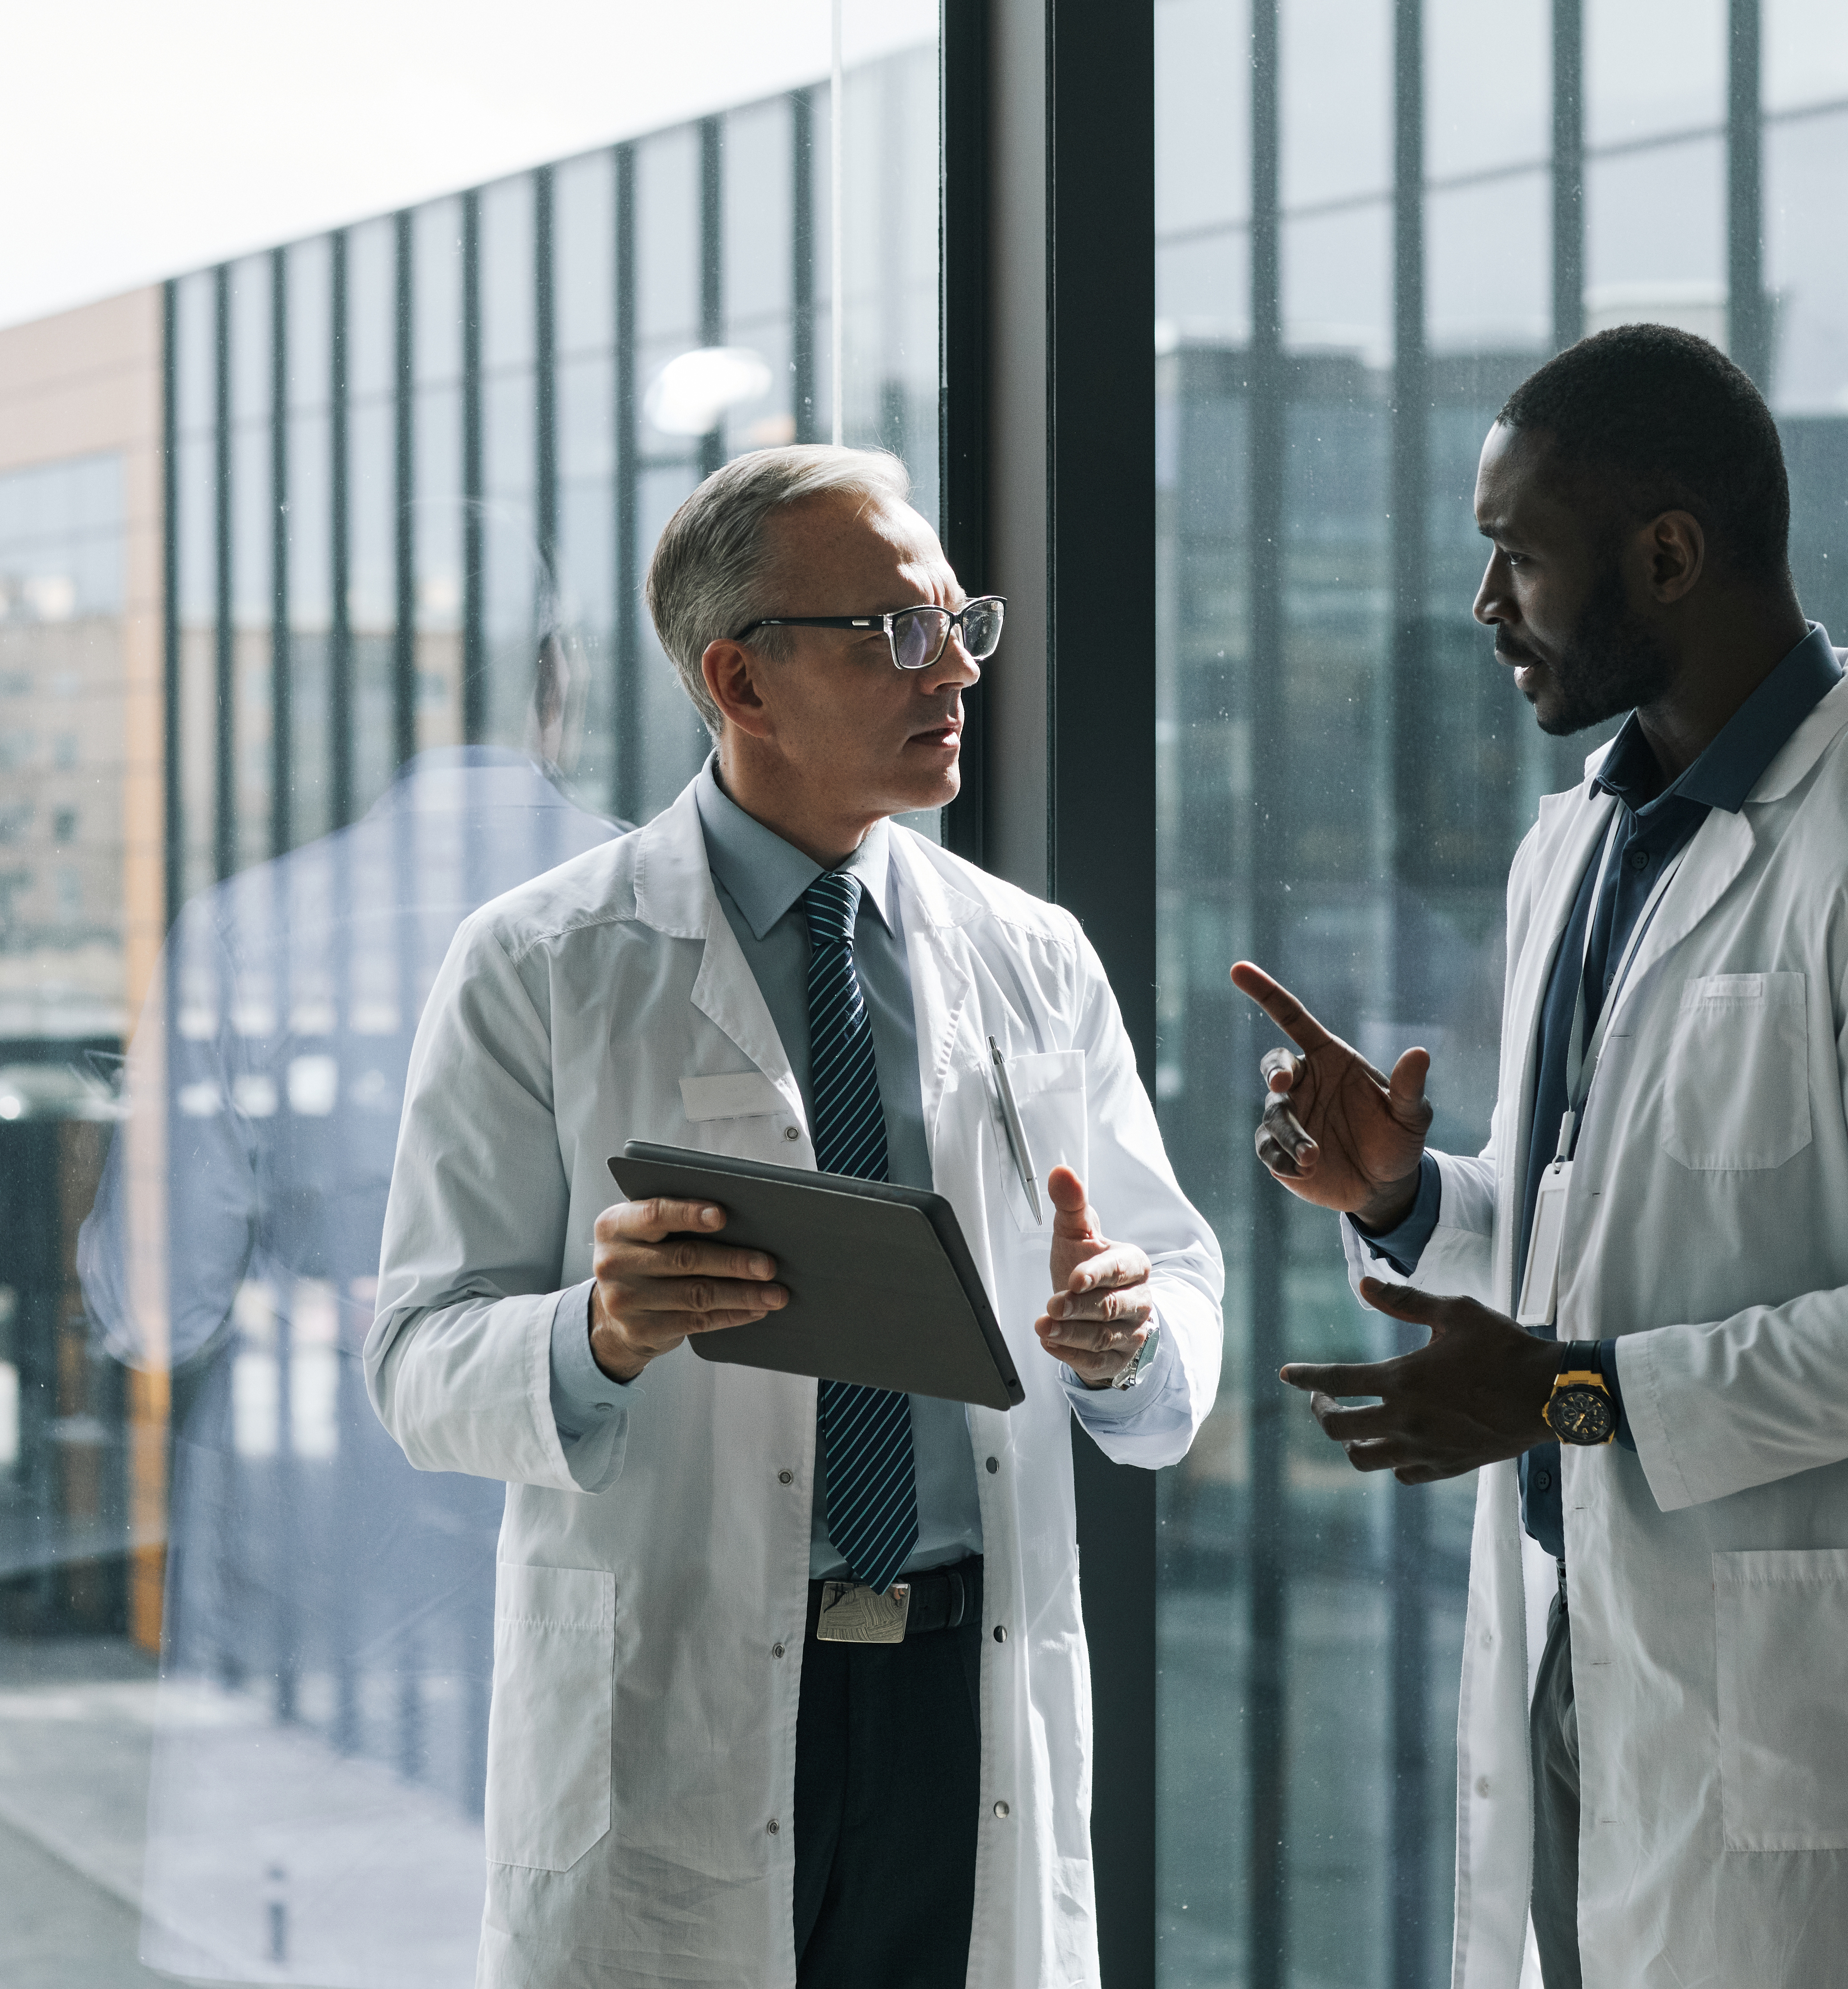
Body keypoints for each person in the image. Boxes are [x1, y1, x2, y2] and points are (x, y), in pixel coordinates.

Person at [1235, 325, 1848, 1986]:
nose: (1486, 611)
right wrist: (1408, 1198)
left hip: (1803, 1716)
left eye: (1519, 558)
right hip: (1581, 1637)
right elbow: (1599, 1258)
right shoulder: (1577, 848)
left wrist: (1573, 1396)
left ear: (1670, 554)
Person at [365, 443, 1222, 1987]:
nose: (954, 666)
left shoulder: (1030, 956)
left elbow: (1176, 1286)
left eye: (965, 623)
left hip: (965, 1695)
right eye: (900, 632)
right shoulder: (542, 964)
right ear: (740, 682)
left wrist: (1129, 1333)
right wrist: (594, 1335)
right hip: (675, 1694)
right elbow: (416, 1360)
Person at [79, 518, 627, 1981]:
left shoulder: (252, 932)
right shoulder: (672, 912)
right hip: (605, 1565)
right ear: (557, 683)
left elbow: (150, 1304)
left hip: (316, 1598)